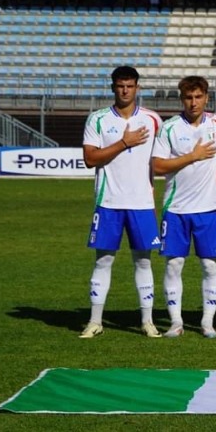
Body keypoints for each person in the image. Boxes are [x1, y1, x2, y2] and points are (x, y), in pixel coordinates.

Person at [79, 66, 163, 338]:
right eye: (120, 85)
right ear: (113, 87)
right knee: (103, 260)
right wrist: (124, 143)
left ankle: (147, 321)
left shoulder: (153, 120)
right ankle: (95, 321)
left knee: (143, 262)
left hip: (141, 203)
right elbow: (91, 158)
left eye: (129, 85)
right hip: (108, 203)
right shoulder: (98, 119)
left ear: (138, 87)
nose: (125, 90)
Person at [151, 76, 216, 338]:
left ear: (207, 97)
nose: (193, 102)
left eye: (198, 97)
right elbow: (158, 166)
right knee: (174, 265)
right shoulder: (169, 128)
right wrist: (192, 157)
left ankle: (207, 322)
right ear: (181, 99)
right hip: (176, 209)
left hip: (208, 209)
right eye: (188, 97)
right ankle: (176, 323)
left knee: (210, 266)